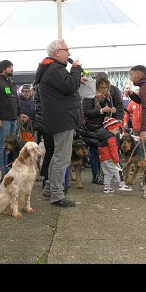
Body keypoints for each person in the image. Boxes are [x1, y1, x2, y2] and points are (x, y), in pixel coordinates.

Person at [34, 39, 88, 207]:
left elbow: (67, 86)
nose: (69, 54)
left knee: (58, 156)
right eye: (66, 50)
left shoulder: (50, 69)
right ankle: (57, 195)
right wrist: (77, 69)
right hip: (62, 119)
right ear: (57, 52)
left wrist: (77, 78)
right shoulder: (55, 69)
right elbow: (69, 86)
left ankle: (50, 189)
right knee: (62, 159)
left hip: (58, 118)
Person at [0, 60, 28, 176]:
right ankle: (1, 171)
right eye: (10, 67)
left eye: (12, 67)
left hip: (13, 119)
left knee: (11, 146)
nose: (12, 69)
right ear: (3, 69)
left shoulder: (12, 83)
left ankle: (8, 169)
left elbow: (16, 100)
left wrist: (20, 113)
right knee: (1, 146)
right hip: (2, 119)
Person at [98, 117, 132, 193]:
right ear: (111, 129)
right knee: (118, 171)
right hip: (110, 159)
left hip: (103, 159)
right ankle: (122, 185)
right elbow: (113, 150)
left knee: (107, 173)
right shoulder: (111, 138)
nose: (117, 132)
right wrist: (116, 160)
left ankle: (107, 187)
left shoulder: (103, 137)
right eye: (116, 130)